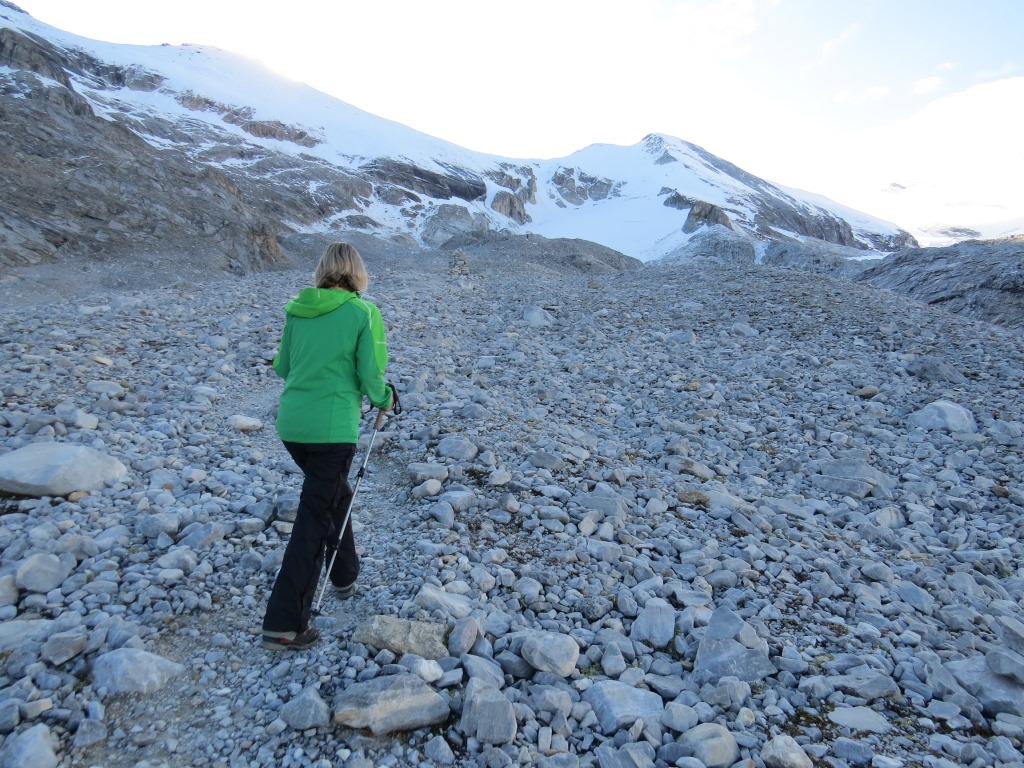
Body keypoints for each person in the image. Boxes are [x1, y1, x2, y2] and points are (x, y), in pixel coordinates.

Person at [261, 242, 394, 651]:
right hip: (332, 429)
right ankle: (284, 623)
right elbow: (372, 373)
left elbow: (281, 366)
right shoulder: (361, 312)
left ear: (322, 270)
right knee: (313, 518)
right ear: (356, 272)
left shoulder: (295, 311)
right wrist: (385, 397)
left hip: (292, 425)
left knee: (333, 494)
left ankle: (344, 574)